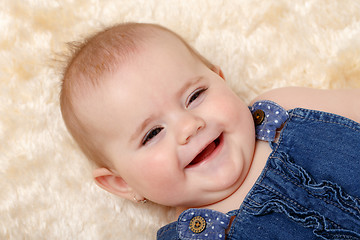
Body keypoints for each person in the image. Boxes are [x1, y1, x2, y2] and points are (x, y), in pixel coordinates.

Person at [60, 22, 360, 239]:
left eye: (195, 96)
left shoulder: (284, 111)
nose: (189, 126)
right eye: (152, 133)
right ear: (122, 183)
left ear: (221, 80)